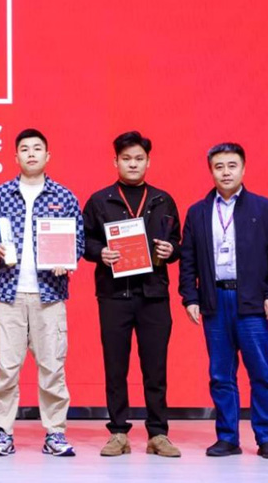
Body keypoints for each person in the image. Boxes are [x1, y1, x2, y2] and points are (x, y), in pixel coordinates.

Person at [0, 128, 85, 457]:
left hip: (49, 294)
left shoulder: (64, 196)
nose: (31, 153)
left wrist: (67, 259)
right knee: (5, 367)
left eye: (37, 148)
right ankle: (2, 433)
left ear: (48, 156)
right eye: (25, 149)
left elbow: (78, 239)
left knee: (52, 367)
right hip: (8, 293)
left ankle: (55, 433)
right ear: (16, 156)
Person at [178, 142, 268, 459]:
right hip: (215, 301)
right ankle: (227, 437)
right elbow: (188, 259)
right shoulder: (198, 212)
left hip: (252, 301)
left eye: (232, 165)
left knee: (262, 373)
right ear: (210, 171)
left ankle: (267, 438)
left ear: (243, 168)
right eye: (219, 166)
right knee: (220, 375)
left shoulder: (264, 208)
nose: (225, 172)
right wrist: (190, 297)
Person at [82, 131, 182, 457]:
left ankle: (158, 434)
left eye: (139, 158)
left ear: (148, 161)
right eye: (126, 159)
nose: (133, 164)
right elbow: (85, 241)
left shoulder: (163, 200)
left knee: (156, 368)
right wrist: (100, 253)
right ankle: (118, 433)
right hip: (114, 295)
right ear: (116, 162)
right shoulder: (100, 200)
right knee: (115, 367)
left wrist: (171, 250)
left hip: (154, 294)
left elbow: (177, 242)